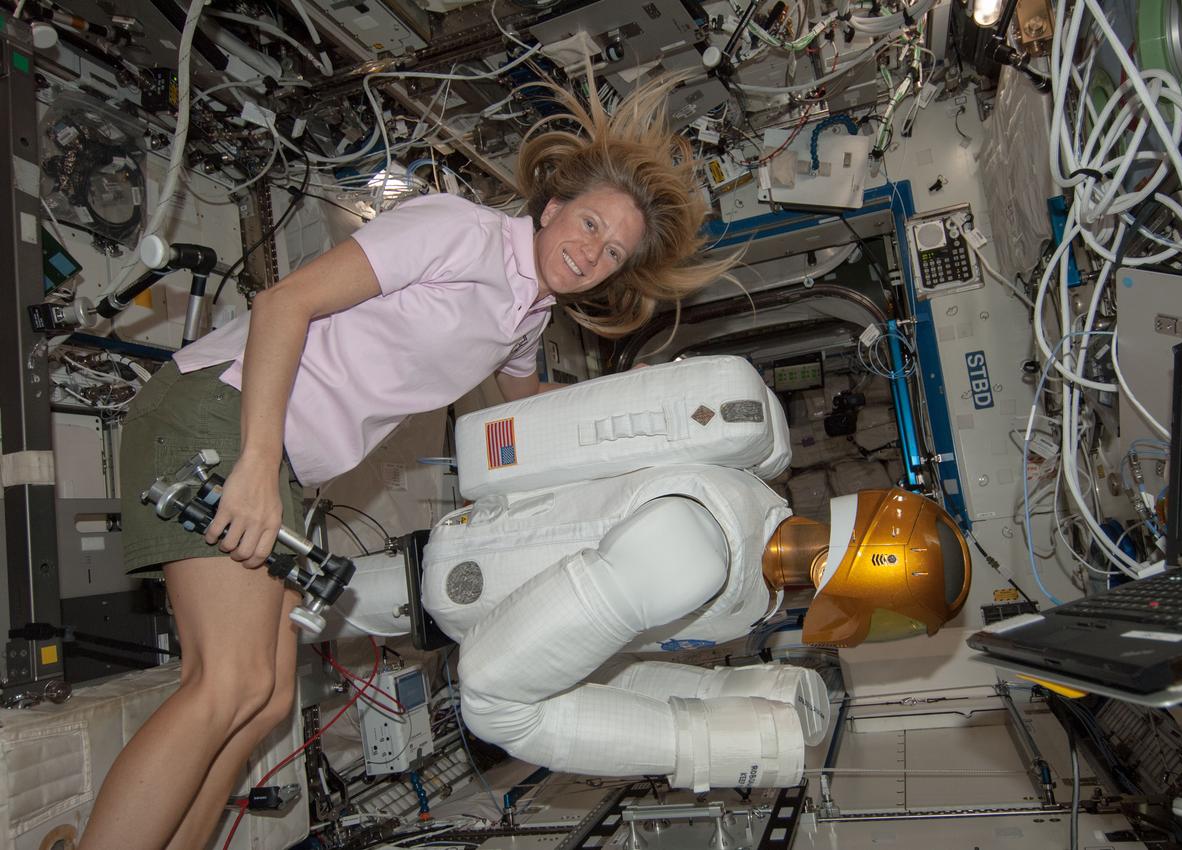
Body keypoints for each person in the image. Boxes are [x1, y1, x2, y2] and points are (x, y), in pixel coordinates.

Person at [79, 74, 733, 850]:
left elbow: (526, 414)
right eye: (590, 223)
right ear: (552, 206)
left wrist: (633, 429)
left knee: (265, 699)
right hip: (220, 416)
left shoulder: (525, 319)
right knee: (228, 683)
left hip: (278, 462)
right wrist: (253, 465)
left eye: (613, 251)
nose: (592, 252)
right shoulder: (460, 233)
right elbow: (282, 304)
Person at [417, 357, 973, 791]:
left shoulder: (754, 553)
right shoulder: (697, 552)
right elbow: (491, 696)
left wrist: (722, 694)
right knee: (493, 707)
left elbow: (608, 667)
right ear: (842, 573)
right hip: (460, 586)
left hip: (470, 603)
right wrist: (698, 743)